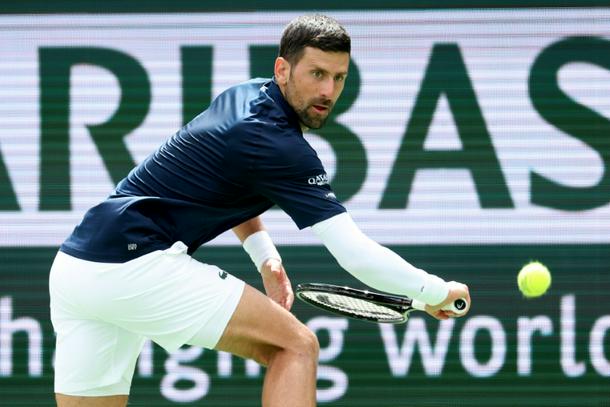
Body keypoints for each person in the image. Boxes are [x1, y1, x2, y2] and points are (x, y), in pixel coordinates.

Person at [49, 14, 471, 407]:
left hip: (76, 268)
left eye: (339, 77)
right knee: (295, 345)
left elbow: (230, 180)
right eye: (317, 74)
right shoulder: (281, 147)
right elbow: (353, 253)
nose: (328, 91)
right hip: (135, 262)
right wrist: (436, 292)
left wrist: (265, 257)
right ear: (283, 69)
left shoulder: (245, 95)